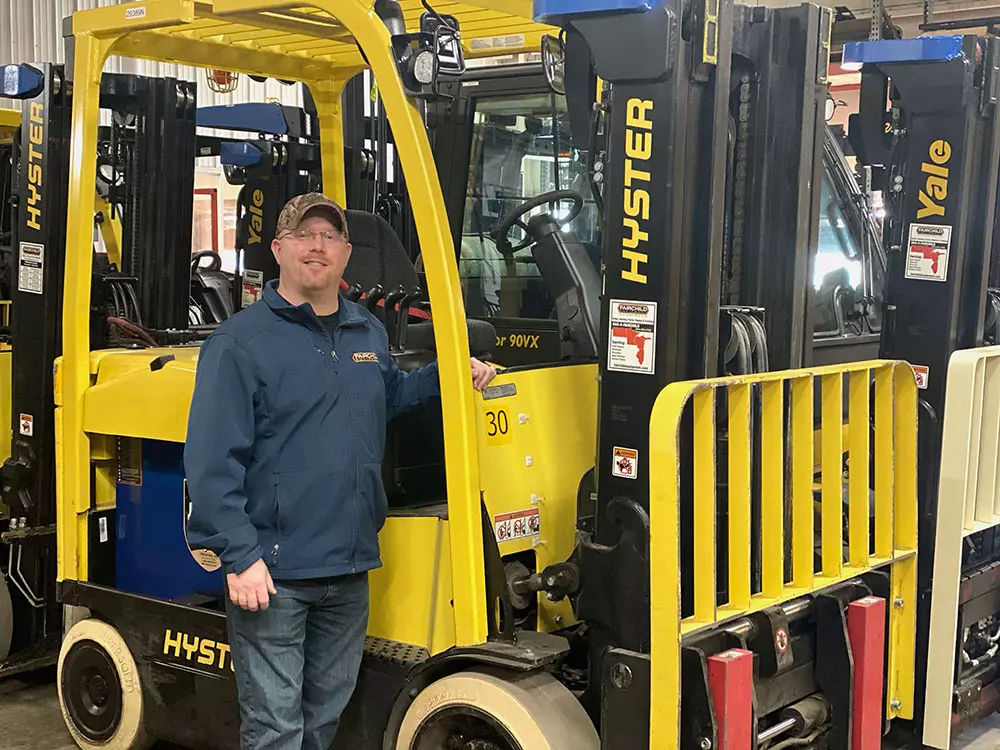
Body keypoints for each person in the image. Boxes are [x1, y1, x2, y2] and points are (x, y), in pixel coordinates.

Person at [183, 192, 496, 750]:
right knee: (275, 727)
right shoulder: (239, 343)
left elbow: (389, 394)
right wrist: (239, 556)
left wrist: (452, 373)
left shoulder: (365, 333)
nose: (317, 247)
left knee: (324, 719)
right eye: (305, 236)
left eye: (330, 237)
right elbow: (211, 461)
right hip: (273, 572)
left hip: (348, 566)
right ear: (278, 248)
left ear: (347, 253)